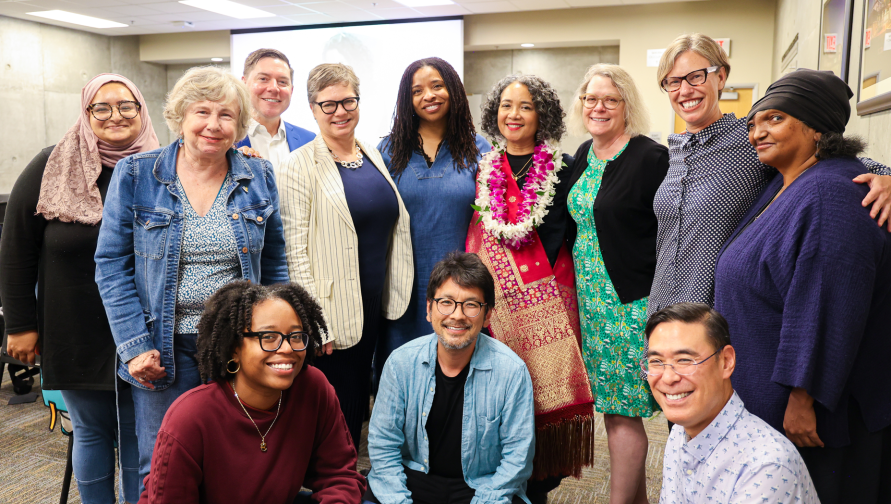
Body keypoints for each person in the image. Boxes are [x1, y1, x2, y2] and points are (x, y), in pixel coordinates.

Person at [95, 66, 289, 492]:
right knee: (164, 465)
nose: (213, 125)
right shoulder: (136, 175)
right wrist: (134, 346)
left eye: (227, 116)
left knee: (236, 459)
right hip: (162, 346)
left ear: (239, 126)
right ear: (180, 116)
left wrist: (277, 336)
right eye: (202, 112)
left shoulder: (258, 176)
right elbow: (111, 265)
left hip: (239, 343)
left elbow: (275, 265)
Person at [714, 69, 891, 503]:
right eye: (754, 123)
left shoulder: (834, 194)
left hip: (816, 419)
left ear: (816, 129)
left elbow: (825, 306)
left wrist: (803, 397)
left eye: (773, 119)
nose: (757, 132)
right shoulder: (784, 182)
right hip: (771, 403)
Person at [648, 33, 891, 316]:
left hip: (714, 318)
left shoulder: (751, 140)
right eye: (673, 82)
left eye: (696, 77)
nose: (685, 90)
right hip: (663, 310)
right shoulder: (675, 150)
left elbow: (835, 158)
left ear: (721, 77)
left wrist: (886, 177)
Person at [0, 73, 158, 504]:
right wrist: (20, 325)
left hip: (142, 328)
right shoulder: (51, 165)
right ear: (85, 113)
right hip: (73, 327)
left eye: (127, 106)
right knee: (90, 431)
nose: (115, 116)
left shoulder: (161, 169)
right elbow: (16, 251)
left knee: (140, 437)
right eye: (101, 108)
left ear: (142, 111)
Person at [467, 74, 593, 499]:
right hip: (496, 305)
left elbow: (570, 232)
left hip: (549, 300)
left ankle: (539, 483)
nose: (514, 114)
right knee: (498, 391)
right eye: (506, 105)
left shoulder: (564, 166)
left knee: (542, 389)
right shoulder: (484, 168)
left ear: (542, 114)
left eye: (525, 106)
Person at [276, 63, 413, 449]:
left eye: (348, 101)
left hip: (375, 307)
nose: (340, 111)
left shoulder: (371, 152)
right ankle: (330, 486)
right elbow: (295, 252)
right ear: (312, 108)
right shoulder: (298, 165)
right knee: (335, 411)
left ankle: (345, 481)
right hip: (332, 315)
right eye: (328, 104)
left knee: (357, 406)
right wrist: (314, 321)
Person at [138, 280, 366, 504]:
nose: (287, 348)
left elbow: (339, 476)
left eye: (296, 337)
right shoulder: (190, 417)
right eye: (268, 338)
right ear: (234, 349)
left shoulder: (312, 389)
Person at [565, 64, 668, 504]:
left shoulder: (649, 156)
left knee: (627, 414)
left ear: (627, 105)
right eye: (591, 98)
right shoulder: (583, 155)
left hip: (630, 304)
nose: (599, 107)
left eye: (610, 99)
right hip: (592, 304)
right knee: (614, 412)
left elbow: (673, 228)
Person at [366, 252, 534, 504]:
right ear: (429, 308)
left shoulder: (512, 371)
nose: (457, 315)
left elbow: (516, 459)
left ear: (487, 315)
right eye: (446, 302)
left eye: (471, 304)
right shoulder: (400, 363)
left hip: (481, 486)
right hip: (413, 479)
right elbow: (384, 446)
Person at [375, 57, 491, 389]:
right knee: (404, 382)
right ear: (406, 100)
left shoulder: (478, 150)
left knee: (456, 382)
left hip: (460, 290)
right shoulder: (386, 151)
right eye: (417, 90)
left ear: (453, 90)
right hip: (401, 290)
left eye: (437, 86)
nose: (429, 95)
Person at [643, 303, 819, 504]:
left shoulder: (766, 468)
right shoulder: (679, 433)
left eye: (684, 360)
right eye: (656, 362)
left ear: (726, 361)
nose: (668, 377)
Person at [235, 48, 315, 168]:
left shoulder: (310, 141)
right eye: (263, 79)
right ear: (244, 84)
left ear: (291, 90)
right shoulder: (227, 139)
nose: (274, 88)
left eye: (282, 82)